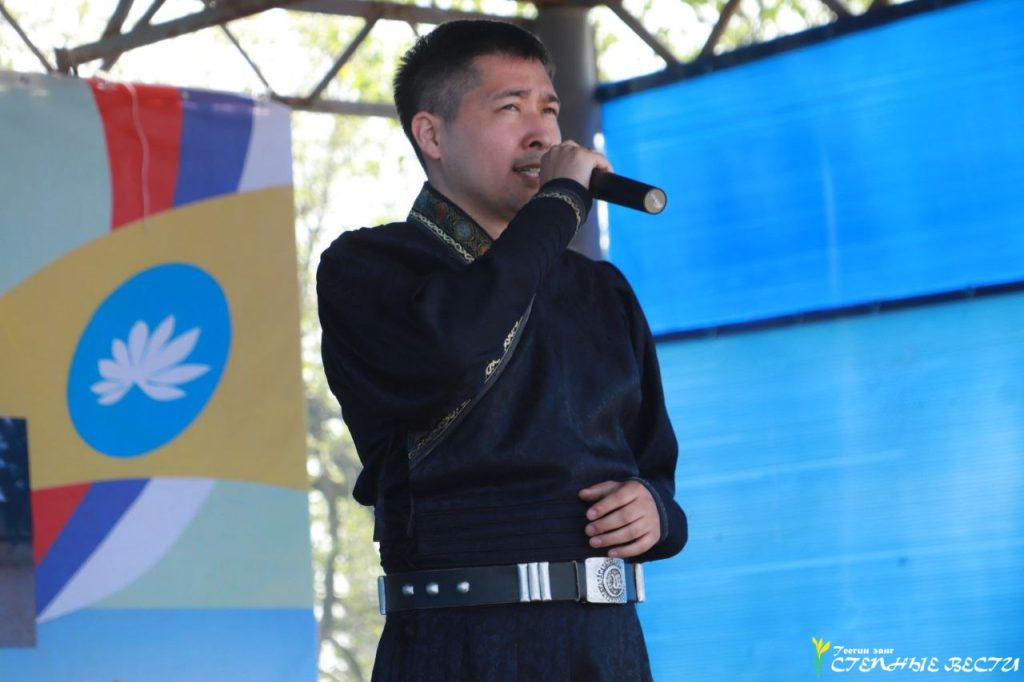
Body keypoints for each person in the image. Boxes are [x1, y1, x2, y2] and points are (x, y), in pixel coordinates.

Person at [317, 19, 687, 681]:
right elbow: (452, 353)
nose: (542, 133)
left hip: (605, 645)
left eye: (549, 108)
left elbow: (656, 465)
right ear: (432, 135)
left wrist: (654, 512)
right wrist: (561, 201)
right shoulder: (368, 267)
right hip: (458, 640)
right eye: (510, 108)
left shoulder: (601, 290)